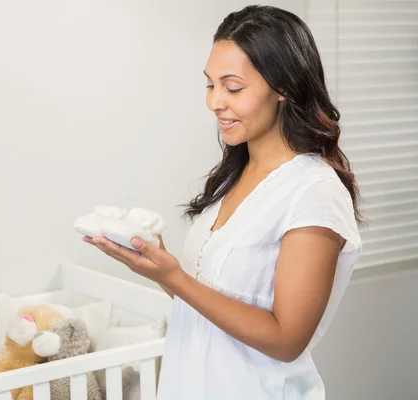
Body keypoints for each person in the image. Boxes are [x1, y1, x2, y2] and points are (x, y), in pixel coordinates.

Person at [83, 5, 362, 399]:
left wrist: (173, 277)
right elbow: (215, 308)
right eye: (210, 85)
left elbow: (286, 339)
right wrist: (159, 269)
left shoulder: (313, 191)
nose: (215, 102)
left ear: (283, 87)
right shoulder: (236, 176)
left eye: (232, 87)